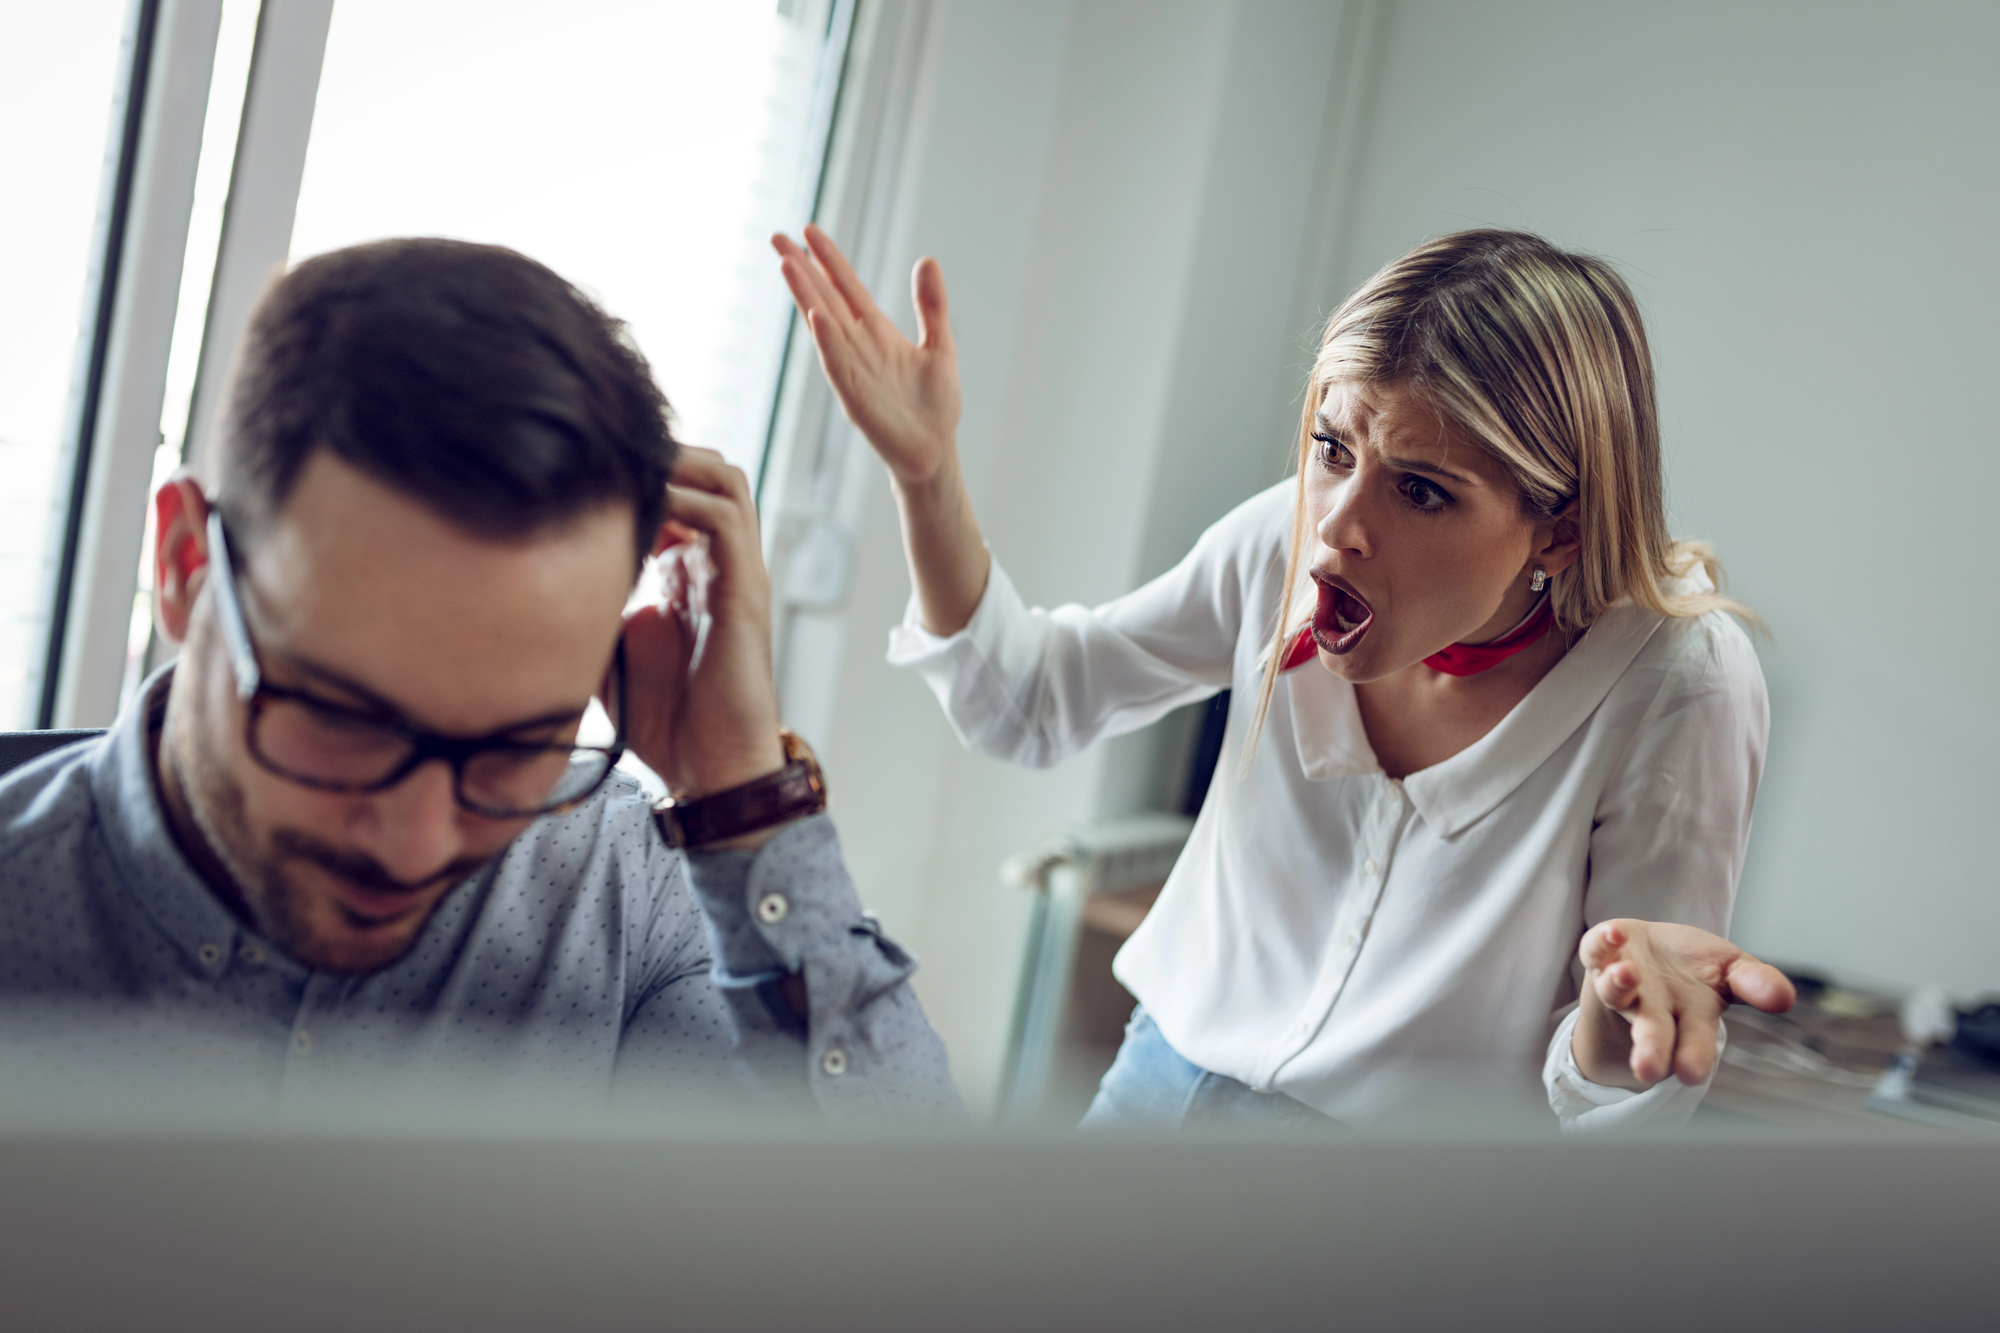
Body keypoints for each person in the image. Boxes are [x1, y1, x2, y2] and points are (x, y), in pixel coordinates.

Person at [773, 224, 1794, 1132]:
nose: (1339, 527)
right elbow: (1031, 704)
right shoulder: (1282, 538)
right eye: (1329, 448)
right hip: (1154, 1092)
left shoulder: (1679, 679)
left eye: (1422, 491)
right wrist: (925, 472)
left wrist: (1618, 1030)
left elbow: (1617, 1114)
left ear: (1559, 529)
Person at [0, 239, 958, 1124]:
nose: (416, 844)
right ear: (183, 566)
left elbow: (929, 1257)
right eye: (342, 718)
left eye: (514, 745)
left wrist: (744, 796)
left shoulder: (621, 890)